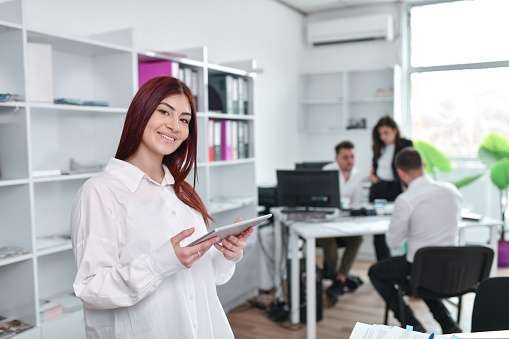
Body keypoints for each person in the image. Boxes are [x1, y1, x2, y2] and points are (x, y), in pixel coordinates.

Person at [70, 76, 253, 339]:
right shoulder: (100, 191)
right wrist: (161, 262)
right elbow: (91, 289)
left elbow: (204, 279)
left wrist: (226, 255)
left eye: (184, 120)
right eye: (164, 111)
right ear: (141, 113)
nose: (174, 126)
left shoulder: (182, 192)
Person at [368, 147, 463, 334]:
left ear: (400, 173)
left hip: (421, 271)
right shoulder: (453, 192)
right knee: (426, 271)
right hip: (453, 270)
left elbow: (392, 242)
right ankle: (448, 324)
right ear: (424, 166)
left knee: (377, 272)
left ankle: (412, 325)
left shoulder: (406, 200)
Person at [319, 141, 363, 305]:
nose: (349, 161)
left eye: (352, 156)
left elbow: (356, 203)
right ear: (336, 158)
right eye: (345, 157)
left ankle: (339, 280)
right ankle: (341, 277)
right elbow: (321, 202)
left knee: (357, 239)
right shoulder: (327, 172)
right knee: (329, 242)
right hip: (324, 225)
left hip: (344, 223)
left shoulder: (356, 175)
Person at [369, 115, 413, 261]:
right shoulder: (378, 146)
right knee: (378, 230)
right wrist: (372, 174)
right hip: (379, 189)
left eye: (386, 132)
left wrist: (407, 187)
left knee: (397, 225)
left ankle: (400, 262)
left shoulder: (405, 144)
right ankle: (382, 264)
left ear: (395, 130)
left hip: (396, 189)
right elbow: (375, 165)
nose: (383, 137)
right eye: (380, 134)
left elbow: (409, 168)